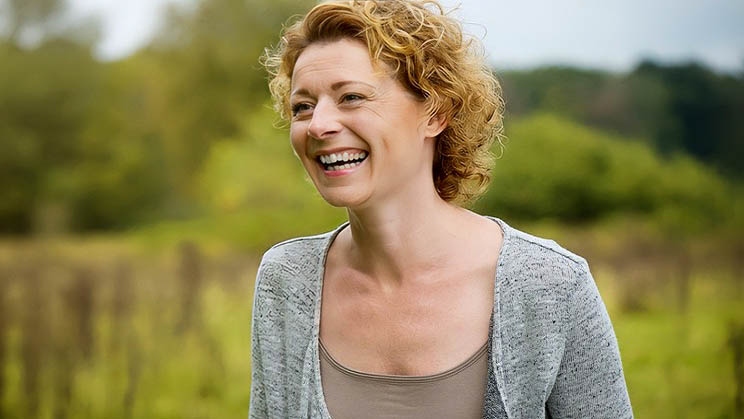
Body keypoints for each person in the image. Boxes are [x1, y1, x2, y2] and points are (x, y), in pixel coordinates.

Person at [250, 1, 633, 418]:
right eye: (302, 106)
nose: (318, 124)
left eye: (352, 97)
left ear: (436, 112)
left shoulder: (553, 285)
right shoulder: (286, 280)